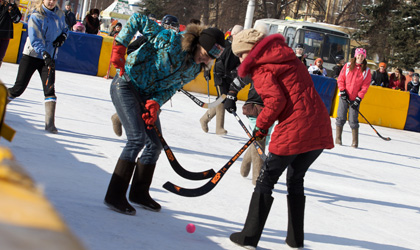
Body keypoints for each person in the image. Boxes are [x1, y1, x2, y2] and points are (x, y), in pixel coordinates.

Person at [104, 13, 225, 216]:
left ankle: (139, 193)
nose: (206, 59)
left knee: (155, 144)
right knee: (137, 140)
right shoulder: (170, 40)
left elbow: (172, 87)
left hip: (147, 96)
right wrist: (120, 46)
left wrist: (155, 103)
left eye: (211, 57)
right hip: (126, 84)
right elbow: (136, 19)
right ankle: (114, 195)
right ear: (198, 43)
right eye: (205, 52)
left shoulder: (195, 68)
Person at [228, 28, 334, 249]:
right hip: (319, 126)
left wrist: (261, 127)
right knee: (296, 180)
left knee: (266, 179)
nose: (240, 59)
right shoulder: (289, 58)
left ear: (251, 50)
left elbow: (276, 102)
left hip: (295, 128)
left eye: (240, 54)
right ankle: (295, 240)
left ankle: (249, 237)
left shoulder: (262, 68)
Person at [110, 14, 181, 137]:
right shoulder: (153, 36)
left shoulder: (175, 44)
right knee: (141, 106)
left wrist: (174, 79)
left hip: (157, 83)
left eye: (173, 27)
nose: (170, 30)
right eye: (168, 26)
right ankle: (122, 119)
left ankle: (126, 121)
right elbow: (132, 48)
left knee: (152, 108)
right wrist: (139, 63)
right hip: (141, 78)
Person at [7, 0, 68, 134]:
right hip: (32, 55)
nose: (51, 2)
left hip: (49, 58)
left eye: (54, 0)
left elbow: (65, 28)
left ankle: (50, 124)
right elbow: (34, 38)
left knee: (50, 90)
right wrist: (44, 53)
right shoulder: (35, 16)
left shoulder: (59, 14)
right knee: (18, 88)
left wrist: (63, 36)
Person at [199, 24, 243, 135]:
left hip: (229, 77)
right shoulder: (225, 45)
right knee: (222, 98)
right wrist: (207, 70)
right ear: (233, 35)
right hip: (219, 74)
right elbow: (211, 57)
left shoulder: (240, 48)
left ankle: (204, 119)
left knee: (221, 99)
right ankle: (219, 128)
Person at [335, 48, 371, 148]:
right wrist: (342, 91)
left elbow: (365, 86)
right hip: (344, 96)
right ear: (355, 56)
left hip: (355, 99)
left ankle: (355, 143)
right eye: (358, 55)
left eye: (362, 56)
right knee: (341, 117)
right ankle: (338, 139)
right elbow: (341, 79)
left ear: (364, 57)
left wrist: (358, 98)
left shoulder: (366, 71)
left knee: (353, 120)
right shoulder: (347, 66)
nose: (360, 57)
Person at [0, 0, 21, 68]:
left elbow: (16, 20)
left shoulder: (13, 7)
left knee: (0, 57)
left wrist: (11, 9)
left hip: (6, 35)